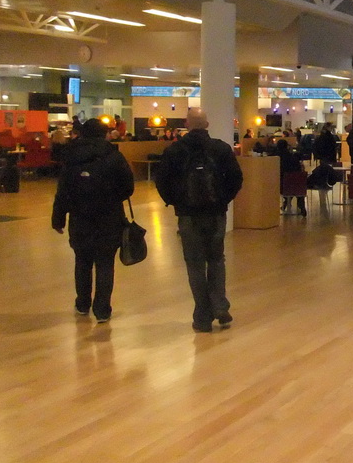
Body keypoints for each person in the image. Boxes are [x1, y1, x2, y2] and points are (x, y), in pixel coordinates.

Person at [155, 108, 244, 333]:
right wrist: (223, 199)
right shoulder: (221, 149)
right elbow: (236, 178)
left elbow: (161, 181)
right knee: (216, 259)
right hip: (215, 213)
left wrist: (175, 201)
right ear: (206, 124)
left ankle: (202, 316)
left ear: (187, 124)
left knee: (195, 264)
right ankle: (220, 304)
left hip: (188, 214)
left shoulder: (175, 150)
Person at [51, 119, 135, 323]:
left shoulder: (72, 157)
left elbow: (63, 191)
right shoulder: (114, 156)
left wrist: (58, 218)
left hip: (80, 218)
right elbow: (128, 187)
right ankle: (102, 309)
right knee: (105, 264)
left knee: (82, 261)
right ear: (104, 134)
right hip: (109, 218)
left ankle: (82, 303)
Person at [276, 139, 307, 216]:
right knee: (294, 186)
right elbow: (299, 168)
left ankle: (286, 203)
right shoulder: (293, 157)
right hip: (297, 184)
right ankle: (300, 204)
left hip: (283, 184)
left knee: (287, 185)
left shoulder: (277, 158)